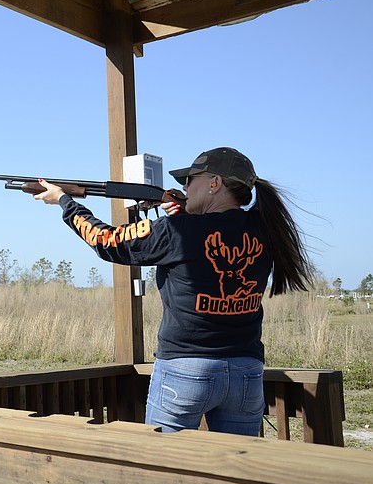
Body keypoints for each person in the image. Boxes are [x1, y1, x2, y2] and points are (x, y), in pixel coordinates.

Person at [33, 147, 312, 435]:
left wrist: (65, 202)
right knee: (236, 472)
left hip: (185, 370)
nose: (184, 187)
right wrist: (183, 210)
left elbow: (106, 240)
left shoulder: (178, 229)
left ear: (214, 184)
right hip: (246, 371)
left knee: (161, 465)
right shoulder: (265, 228)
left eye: (190, 180)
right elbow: (209, 234)